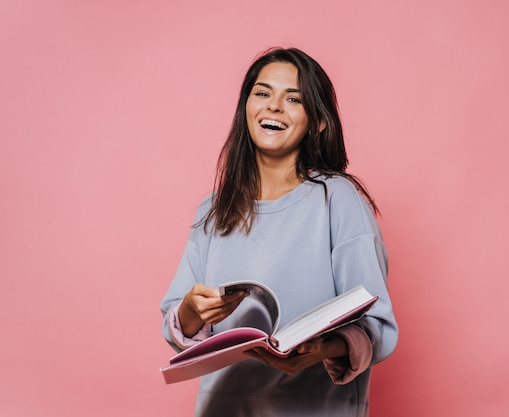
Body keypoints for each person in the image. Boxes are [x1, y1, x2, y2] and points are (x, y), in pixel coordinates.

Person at [160, 47, 398, 417]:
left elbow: (377, 325)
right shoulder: (212, 210)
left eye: (293, 99)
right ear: (246, 108)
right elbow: (179, 329)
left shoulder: (337, 200)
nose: (273, 106)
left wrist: (320, 350)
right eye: (263, 93)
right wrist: (192, 309)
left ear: (317, 121)